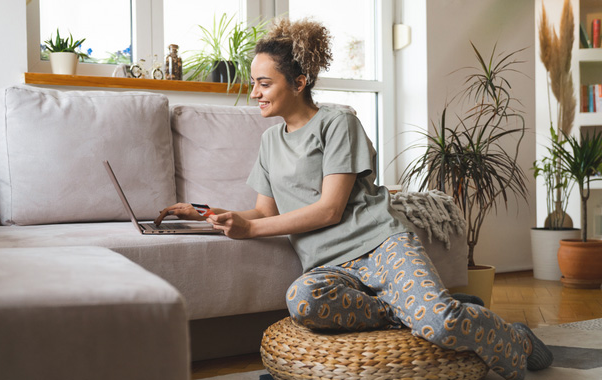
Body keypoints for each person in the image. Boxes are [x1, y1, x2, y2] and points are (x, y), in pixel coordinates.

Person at [155, 18, 552, 380]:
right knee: (303, 299)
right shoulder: (269, 142)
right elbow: (263, 211)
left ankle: (517, 340)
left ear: (299, 82)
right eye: (254, 82)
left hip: (380, 244)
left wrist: (252, 228)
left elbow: (330, 208)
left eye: (264, 82)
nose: (254, 92)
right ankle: (411, 308)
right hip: (329, 266)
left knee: (443, 325)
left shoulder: (338, 122)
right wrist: (208, 212)